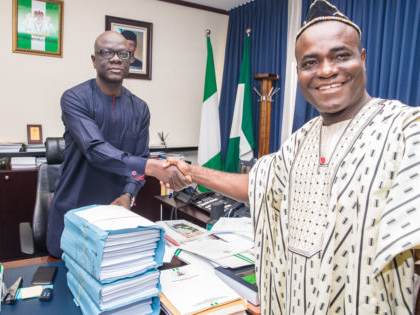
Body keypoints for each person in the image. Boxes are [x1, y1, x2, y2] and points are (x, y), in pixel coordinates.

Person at [164, 1, 420, 314]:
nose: (326, 70)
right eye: (310, 62)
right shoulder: (300, 140)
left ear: (362, 58)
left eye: (341, 56)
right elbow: (257, 185)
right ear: (297, 71)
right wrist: (191, 171)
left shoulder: (406, 129)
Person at [46, 31, 188, 258]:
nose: (115, 58)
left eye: (123, 53)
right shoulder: (74, 98)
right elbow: (95, 150)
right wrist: (150, 166)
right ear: (94, 60)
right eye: (106, 52)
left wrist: (128, 195)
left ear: (130, 60)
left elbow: (140, 156)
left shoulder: (140, 108)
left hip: (116, 215)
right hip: (74, 215)